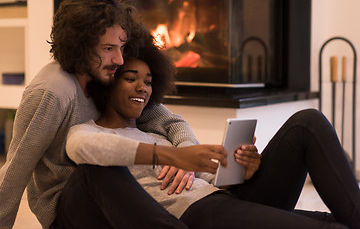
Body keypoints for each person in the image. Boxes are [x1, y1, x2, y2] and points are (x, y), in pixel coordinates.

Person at [64, 43, 360, 228]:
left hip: (226, 199)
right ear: (107, 86)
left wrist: (244, 171)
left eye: (149, 82)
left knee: (308, 122)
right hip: (199, 214)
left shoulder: (157, 132)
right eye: (131, 79)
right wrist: (175, 155)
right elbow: (82, 149)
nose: (143, 87)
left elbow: (208, 180)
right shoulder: (88, 132)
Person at [0, 0, 201, 228]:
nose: (119, 59)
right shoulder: (51, 93)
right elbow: (14, 174)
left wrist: (187, 155)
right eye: (108, 49)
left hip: (115, 199)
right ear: (80, 45)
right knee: (98, 164)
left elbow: (170, 122)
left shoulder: (106, 76)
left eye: (122, 47)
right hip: (69, 206)